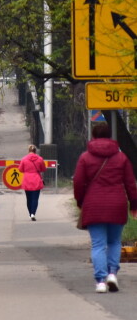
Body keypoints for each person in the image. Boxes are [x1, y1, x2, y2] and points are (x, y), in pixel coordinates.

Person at [74, 122, 137, 294]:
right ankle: (112, 273)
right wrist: (134, 203)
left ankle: (100, 281)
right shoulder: (121, 158)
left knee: (98, 244)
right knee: (115, 242)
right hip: (117, 204)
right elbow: (130, 183)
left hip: (93, 205)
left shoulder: (85, 157)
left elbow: (78, 182)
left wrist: (80, 201)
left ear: (93, 136)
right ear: (110, 137)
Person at [18, 144, 46, 221]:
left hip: (27, 180)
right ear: (35, 151)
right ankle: (33, 213)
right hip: (36, 179)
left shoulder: (24, 159)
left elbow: (20, 169)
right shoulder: (40, 159)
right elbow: (43, 169)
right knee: (35, 199)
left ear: (28, 151)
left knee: (29, 199)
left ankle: (30, 213)